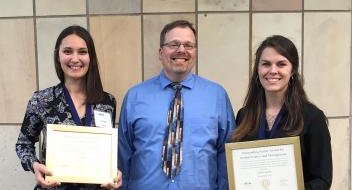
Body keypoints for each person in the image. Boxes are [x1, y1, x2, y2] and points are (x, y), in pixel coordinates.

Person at [118, 20, 235, 189]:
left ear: (195, 52)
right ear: (160, 52)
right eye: (174, 44)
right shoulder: (135, 97)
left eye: (188, 45)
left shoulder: (217, 96)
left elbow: (226, 156)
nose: (181, 50)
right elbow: (123, 156)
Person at [15, 25, 122, 190]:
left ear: (91, 57)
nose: (75, 58)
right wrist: (34, 165)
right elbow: (23, 144)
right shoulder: (42, 100)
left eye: (82, 52)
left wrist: (113, 173)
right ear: (58, 56)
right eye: (67, 51)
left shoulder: (107, 101)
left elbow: (106, 149)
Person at [231, 35, 332, 189]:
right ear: (257, 69)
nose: (273, 71)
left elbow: (322, 180)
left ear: (292, 71)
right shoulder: (244, 116)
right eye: (266, 64)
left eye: (281, 64)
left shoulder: (312, 117)